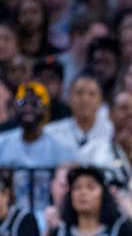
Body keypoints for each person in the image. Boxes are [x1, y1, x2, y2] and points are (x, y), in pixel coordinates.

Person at [0, 82, 76, 219]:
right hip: (10, 217)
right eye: (23, 103)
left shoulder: (62, 147)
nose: (28, 109)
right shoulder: (2, 143)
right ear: (15, 108)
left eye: (35, 104)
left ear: (46, 108)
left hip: (50, 216)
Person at [45, 73, 112, 152]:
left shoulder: (112, 132)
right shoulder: (51, 133)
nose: (85, 99)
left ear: (101, 101)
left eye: (91, 94)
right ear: (69, 98)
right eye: (79, 93)